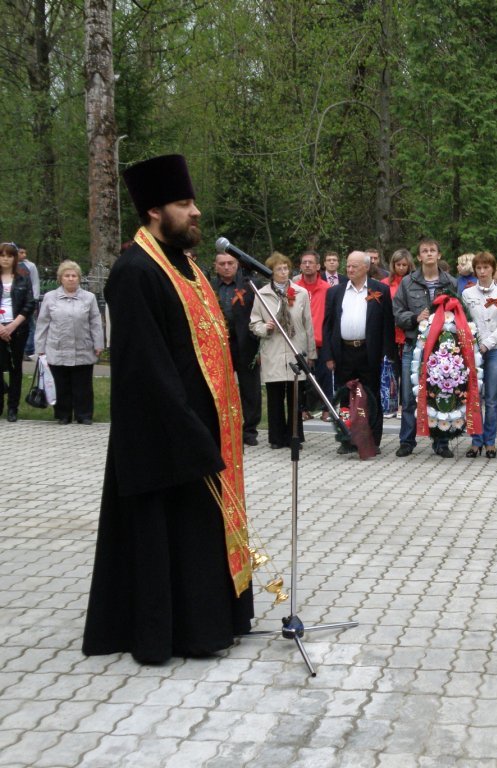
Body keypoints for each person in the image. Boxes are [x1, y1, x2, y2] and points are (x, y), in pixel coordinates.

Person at [83, 153, 253, 664]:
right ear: (156, 211)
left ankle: (214, 621)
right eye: (185, 203)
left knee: (199, 535)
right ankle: (179, 632)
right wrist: (190, 434)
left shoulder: (187, 267)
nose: (196, 212)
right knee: (172, 535)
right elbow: (145, 370)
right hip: (167, 438)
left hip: (202, 429)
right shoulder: (135, 272)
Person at [322, 250, 396, 454]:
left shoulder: (380, 290)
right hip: (344, 352)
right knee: (346, 398)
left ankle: (372, 440)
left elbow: (387, 325)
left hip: (368, 352)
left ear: (366, 267)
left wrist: (386, 355)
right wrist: (328, 355)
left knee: (370, 397)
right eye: (348, 265)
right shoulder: (335, 292)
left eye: (355, 266)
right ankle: (347, 438)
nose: (350, 269)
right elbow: (328, 325)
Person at [394, 238, 459, 458]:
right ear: (419, 257)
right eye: (424, 251)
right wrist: (414, 318)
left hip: (442, 350)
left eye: (433, 250)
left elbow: (460, 313)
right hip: (414, 347)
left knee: (441, 393)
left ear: (439, 255)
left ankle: (441, 442)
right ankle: (407, 441)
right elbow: (397, 312)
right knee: (409, 396)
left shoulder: (450, 282)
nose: (429, 254)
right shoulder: (407, 283)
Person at [250, 252, 316, 449]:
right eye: (279, 269)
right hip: (274, 349)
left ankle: (294, 436)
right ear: (271, 272)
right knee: (275, 395)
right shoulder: (262, 294)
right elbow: (254, 322)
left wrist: (311, 353)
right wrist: (265, 327)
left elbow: (308, 324)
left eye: (286, 268)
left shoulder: (300, 293)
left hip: (296, 348)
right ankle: (277, 438)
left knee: (295, 395)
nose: (283, 272)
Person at [34, 260, 104, 424]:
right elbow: (42, 323)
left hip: (83, 347)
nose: (71, 278)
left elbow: (95, 322)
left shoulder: (89, 298)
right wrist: (40, 347)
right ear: (61, 278)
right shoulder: (50, 298)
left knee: (83, 385)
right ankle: (63, 415)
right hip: (57, 347)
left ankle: (84, 415)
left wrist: (98, 343)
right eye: (67, 276)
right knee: (61, 384)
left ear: (79, 278)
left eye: (74, 276)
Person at [462, 252, 497, 459]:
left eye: (486, 268)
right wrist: (476, 344)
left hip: (496, 350)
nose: (482, 272)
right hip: (473, 350)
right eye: (478, 268)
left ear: (493, 269)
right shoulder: (467, 294)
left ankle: (490, 441)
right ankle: (476, 441)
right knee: (474, 396)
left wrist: (488, 344)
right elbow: (465, 322)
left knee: (491, 398)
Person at [213, 250, 262, 446]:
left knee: (250, 389)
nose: (226, 267)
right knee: (220, 388)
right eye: (222, 264)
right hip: (219, 344)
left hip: (245, 343)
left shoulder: (250, 285)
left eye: (230, 263)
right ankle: (222, 428)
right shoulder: (209, 286)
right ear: (216, 266)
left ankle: (250, 430)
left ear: (238, 264)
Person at [293, 251, 330, 418]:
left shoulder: (328, 289)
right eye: (304, 262)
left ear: (318, 266)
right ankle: (303, 409)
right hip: (300, 342)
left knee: (325, 377)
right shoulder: (293, 289)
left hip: (322, 341)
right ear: (300, 266)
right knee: (302, 378)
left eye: (311, 262)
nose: (307, 265)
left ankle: (326, 409)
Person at [0, 242, 35, 421]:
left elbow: (30, 304)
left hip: (18, 329)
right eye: (2, 255)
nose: (5, 259)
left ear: (15, 259)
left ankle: (13, 408)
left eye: (9, 256)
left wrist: (13, 325)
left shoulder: (22, 279)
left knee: (15, 369)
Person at [382, 249, 413, 418]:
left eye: (404, 265)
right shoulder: (385, 282)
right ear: (393, 265)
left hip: (407, 332)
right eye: (398, 264)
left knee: (406, 371)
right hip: (390, 332)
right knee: (391, 370)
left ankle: (403, 405)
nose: (401, 268)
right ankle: (389, 404)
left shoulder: (412, 281)